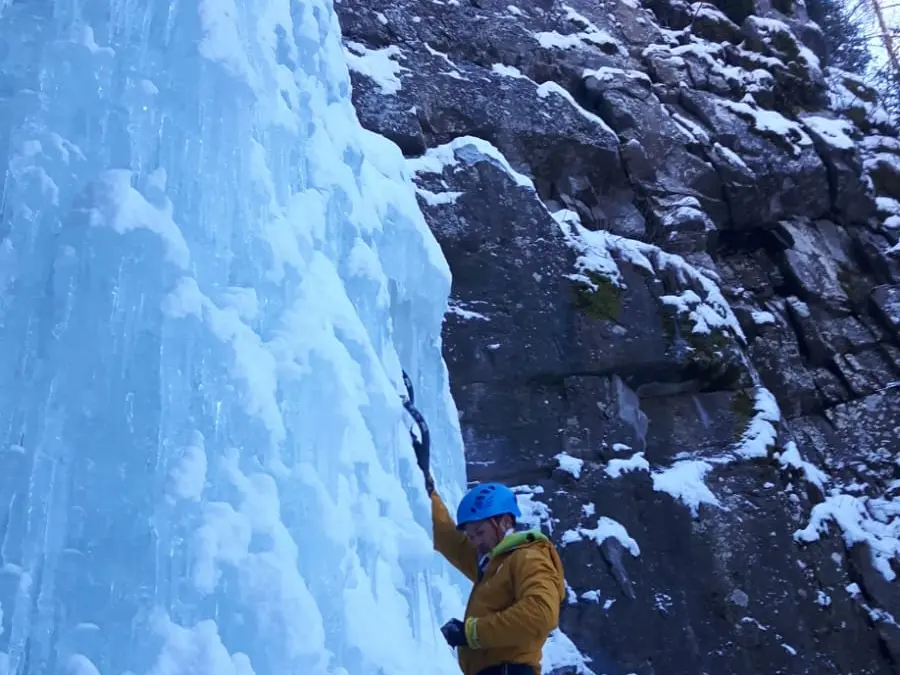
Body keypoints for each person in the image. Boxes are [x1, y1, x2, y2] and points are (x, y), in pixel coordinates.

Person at [407, 404, 566, 675]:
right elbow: (447, 536)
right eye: (470, 535)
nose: (474, 541)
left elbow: (541, 613)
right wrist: (426, 484)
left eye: (479, 533)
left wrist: (471, 633)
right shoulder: (492, 563)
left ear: (504, 522)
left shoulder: (528, 556)